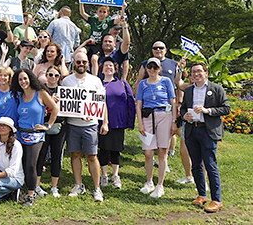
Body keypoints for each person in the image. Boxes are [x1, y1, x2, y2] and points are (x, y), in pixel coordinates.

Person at [180, 62, 230, 213]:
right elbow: (182, 109)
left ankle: (217, 199)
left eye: (199, 71)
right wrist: (185, 116)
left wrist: (207, 110)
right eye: (193, 72)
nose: (196, 74)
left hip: (208, 131)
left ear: (206, 73)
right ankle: (202, 194)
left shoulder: (216, 89)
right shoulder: (189, 91)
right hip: (191, 131)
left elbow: (226, 108)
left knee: (210, 164)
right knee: (195, 164)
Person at [62, 52, 108, 202]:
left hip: (91, 125)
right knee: (75, 155)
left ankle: (97, 188)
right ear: (74, 63)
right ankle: (78, 184)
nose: (81, 65)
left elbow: (102, 103)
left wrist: (105, 122)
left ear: (88, 63)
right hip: (72, 124)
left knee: (92, 156)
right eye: (78, 62)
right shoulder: (66, 81)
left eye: (84, 62)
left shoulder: (95, 81)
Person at [12, 68, 58, 206]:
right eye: (20, 79)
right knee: (21, 163)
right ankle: (20, 190)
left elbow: (54, 108)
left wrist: (48, 125)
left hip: (36, 135)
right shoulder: (19, 96)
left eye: (25, 78)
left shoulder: (41, 93)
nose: (23, 81)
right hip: (20, 134)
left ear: (30, 78)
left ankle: (31, 194)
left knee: (31, 164)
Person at [135, 57, 177, 198]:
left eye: (155, 67)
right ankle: (149, 181)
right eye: (149, 67)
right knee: (148, 152)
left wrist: (174, 120)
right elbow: (139, 104)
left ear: (159, 69)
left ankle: (160, 184)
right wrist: (140, 122)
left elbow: (173, 100)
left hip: (164, 115)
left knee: (162, 151)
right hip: (148, 117)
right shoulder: (142, 84)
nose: (152, 70)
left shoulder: (166, 81)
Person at [98, 57, 135, 190]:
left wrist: (130, 122)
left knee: (116, 150)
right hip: (102, 123)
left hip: (119, 123)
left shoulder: (123, 84)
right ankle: (103, 175)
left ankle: (115, 175)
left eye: (111, 66)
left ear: (115, 69)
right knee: (104, 149)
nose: (108, 68)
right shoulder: (98, 84)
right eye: (106, 65)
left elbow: (131, 102)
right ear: (102, 69)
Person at [35, 65, 67, 198]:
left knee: (56, 155)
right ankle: (36, 185)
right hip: (43, 126)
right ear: (46, 76)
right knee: (40, 156)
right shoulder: (40, 90)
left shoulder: (64, 91)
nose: (53, 78)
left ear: (59, 78)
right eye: (50, 75)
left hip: (59, 126)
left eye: (56, 76)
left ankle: (54, 186)